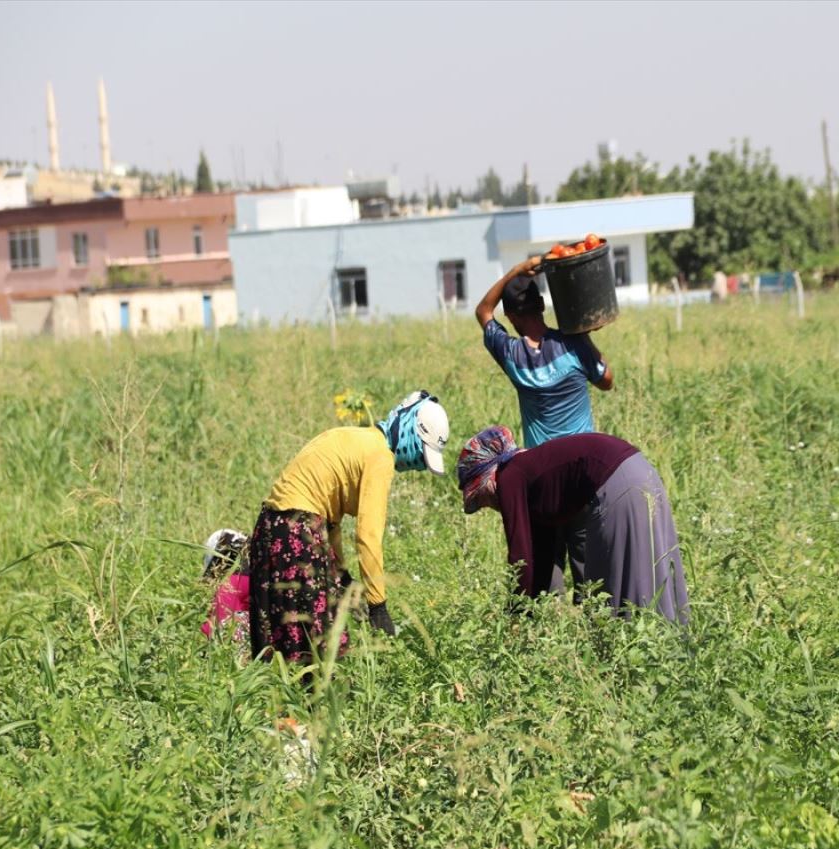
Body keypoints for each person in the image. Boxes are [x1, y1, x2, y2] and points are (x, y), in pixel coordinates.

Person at [248, 391, 449, 666]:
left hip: (271, 530)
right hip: (299, 534)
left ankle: (274, 706)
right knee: (320, 647)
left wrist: (341, 576)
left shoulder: (353, 437)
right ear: (412, 431)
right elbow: (368, 536)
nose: (414, 465)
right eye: (420, 454)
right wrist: (378, 606)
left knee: (278, 643)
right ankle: (316, 708)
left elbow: (330, 520)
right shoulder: (380, 456)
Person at [475, 257, 614, 593]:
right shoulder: (573, 344)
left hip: (543, 479)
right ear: (541, 306)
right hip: (583, 476)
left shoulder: (511, 355)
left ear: (511, 316)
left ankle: (548, 635)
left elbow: (483, 312)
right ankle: (594, 637)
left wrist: (517, 271)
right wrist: (583, 334)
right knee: (590, 578)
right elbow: (607, 380)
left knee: (545, 568)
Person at [456, 426, 688, 624]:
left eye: (480, 498)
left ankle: (630, 666)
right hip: (640, 469)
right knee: (653, 568)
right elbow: (541, 557)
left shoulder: (509, 475)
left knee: (613, 590)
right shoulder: (530, 473)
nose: (486, 505)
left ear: (487, 477)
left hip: (615, 481)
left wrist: (516, 617)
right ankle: (671, 651)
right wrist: (532, 613)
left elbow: (520, 557)